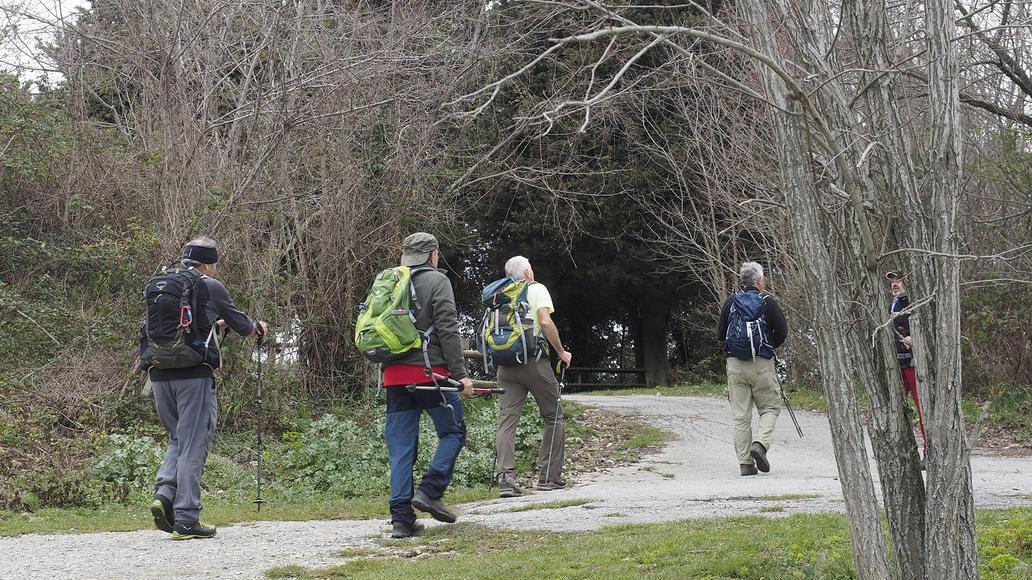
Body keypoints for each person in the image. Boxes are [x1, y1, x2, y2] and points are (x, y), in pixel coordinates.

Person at [141, 237, 268, 539]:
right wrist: (258, 328)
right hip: (194, 376)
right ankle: (186, 518)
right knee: (194, 442)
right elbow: (244, 326)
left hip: (158, 374)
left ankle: (163, 495)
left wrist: (216, 326)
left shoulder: (164, 282)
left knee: (177, 438)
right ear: (209, 263)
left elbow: (185, 327)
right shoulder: (210, 285)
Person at [381, 232, 474, 538]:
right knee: (453, 431)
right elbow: (447, 328)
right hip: (431, 375)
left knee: (401, 448)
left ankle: (401, 520)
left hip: (393, 376)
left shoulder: (390, 280)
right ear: (433, 255)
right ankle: (430, 490)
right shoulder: (437, 281)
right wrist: (461, 375)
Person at [493, 256, 573, 498]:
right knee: (554, 416)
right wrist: (560, 351)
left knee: (507, 420)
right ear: (527, 272)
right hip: (533, 361)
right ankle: (548, 477)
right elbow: (545, 322)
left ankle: (506, 479)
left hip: (505, 365)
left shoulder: (500, 292)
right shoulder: (536, 289)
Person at [716, 262, 789, 476]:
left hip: (735, 365)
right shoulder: (768, 302)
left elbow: (720, 335)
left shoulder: (731, 302)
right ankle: (760, 444)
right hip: (762, 364)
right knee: (770, 408)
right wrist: (767, 347)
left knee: (741, 416)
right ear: (759, 281)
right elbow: (782, 332)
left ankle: (746, 464)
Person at [886, 271, 928, 459]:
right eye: (892, 281)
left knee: (923, 410)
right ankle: (904, 454)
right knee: (894, 409)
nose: (895, 284)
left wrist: (916, 339)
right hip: (897, 365)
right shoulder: (893, 303)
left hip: (915, 365)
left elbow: (928, 329)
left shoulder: (918, 300)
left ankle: (929, 451)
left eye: (899, 281)